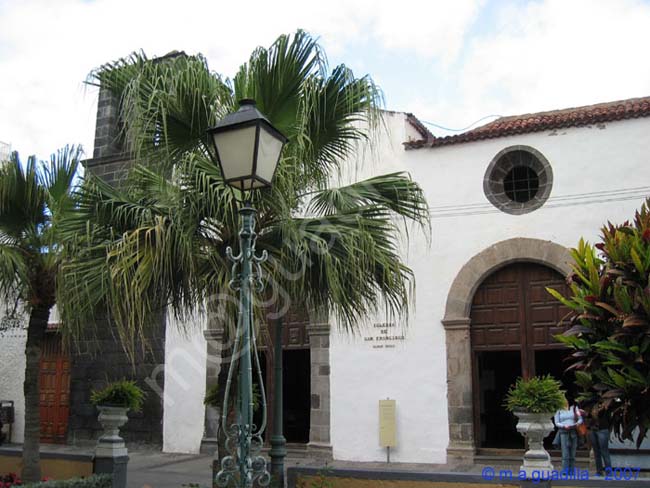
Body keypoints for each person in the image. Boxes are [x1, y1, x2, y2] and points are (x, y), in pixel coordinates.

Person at [554, 398, 583, 474]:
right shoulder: (559, 410)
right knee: (565, 453)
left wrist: (577, 424)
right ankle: (565, 471)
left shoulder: (574, 408)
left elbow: (580, 419)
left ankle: (572, 471)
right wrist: (563, 426)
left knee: (572, 453)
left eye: (566, 400)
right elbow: (556, 422)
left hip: (573, 431)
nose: (565, 402)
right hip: (564, 432)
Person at [587, 403, 612, 476]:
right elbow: (588, 416)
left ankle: (608, 472)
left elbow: (608, 417)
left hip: (602, 429)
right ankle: (599, 471)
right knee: (596, 452)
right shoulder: (591, 404)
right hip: (593, 429)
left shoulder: (606, 405)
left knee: (604, 451)